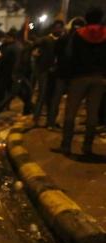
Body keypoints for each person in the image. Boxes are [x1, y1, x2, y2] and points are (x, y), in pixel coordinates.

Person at [53, 7, 105, 156]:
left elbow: (69, 56)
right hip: (98, 78)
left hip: (79, 77)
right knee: (92, 113)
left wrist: (68, 76)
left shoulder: (78, 35)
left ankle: (66, 145)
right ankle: (87, 147)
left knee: (71, 112)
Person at [47, 17, 86, 129]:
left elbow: (55, 54)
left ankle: (51, 123)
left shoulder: (64, 38)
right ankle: (67, 124)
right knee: (72, 102)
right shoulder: (83, 40)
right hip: (75, 75)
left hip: (62, 73)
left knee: (56, 99)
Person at [32, 20, 64, 126]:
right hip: (44, 71)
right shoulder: (45, 40)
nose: (58, 29)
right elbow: (34, 49)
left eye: (60, 27)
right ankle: (35, 119)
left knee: (53, 98)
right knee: (42, 95)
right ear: (52, 28)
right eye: (57, 27)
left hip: (57, 73)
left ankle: (51, 121)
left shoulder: (63, 40)